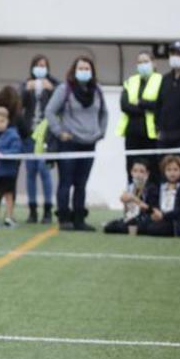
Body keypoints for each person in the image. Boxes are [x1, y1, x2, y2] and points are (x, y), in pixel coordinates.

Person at [47, 56, 108, 231]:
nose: (84, 72)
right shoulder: (64, 89)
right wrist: (60, 132)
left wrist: (101, 132)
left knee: (82, 183)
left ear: (92, 71)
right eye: (80, 68)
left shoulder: (97, 90)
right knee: (66, 181)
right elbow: (50, 111)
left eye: (87, 68)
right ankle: (64, 218)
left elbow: (104, 113)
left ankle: (79, 219)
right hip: (69, 143)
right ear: (74, 70)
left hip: (89, 143)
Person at [20, 54, 57, 222]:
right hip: (29, 134)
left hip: (46, 136)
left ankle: (48, 209)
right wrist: (26, 90)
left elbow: (58, 104)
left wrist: (51, 89)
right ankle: (32, 210)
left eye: (44, 65)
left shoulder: (54, 84)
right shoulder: (26, 83)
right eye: (38, 65)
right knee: (30, 173)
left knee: (45, 172)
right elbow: (19, 105)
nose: (41, 68)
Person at [117, 51, 161, 180]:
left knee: (152, 171)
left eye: (146, 61)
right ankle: (132, 198)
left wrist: (140, 102)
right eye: (140, 62)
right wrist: (147, 108)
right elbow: (125, 105)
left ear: (154, 63)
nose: (143, 65)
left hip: (152, 134)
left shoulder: (161, 81)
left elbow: (159, 105)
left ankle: (150, 199)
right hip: (132, 134)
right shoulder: (131, 81)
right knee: (131, 171)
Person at [155, 41, 180, 164]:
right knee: (163, 170)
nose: (175, 56)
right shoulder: (165, 79)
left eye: (179, 53)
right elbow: (159, 104)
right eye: (172, 53)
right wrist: (158, 128)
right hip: (164, 136)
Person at [139, 155, 180, 237]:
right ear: (164, 172)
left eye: (175, 170)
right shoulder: (161, 187)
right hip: (161, 217)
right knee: (141, 225)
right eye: (169, 170)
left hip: (175, 220)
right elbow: (156, 207)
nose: (172, 173)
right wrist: (150, 210)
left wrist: (163, 216)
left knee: (155, 229)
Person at [104, 160, 153, 235]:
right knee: (109, 227)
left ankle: (132, 229)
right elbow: (127, 210)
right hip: (130, 217)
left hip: (143, 219)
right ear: (131, 172)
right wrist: (125, 203)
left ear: (147, 173)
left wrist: (135, 199)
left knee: (142, 226)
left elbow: (150, 209)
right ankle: (129, 228)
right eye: (135, 171)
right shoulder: (130, 187)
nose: (138, 174)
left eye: (141, 171)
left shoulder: (150, 188)